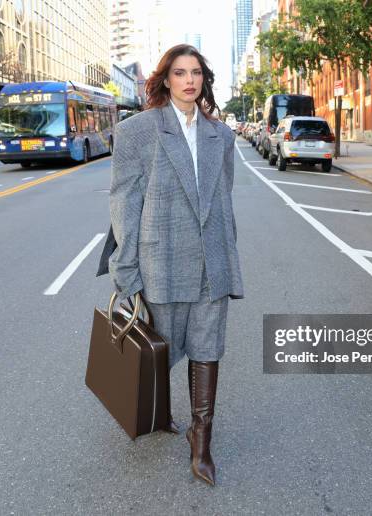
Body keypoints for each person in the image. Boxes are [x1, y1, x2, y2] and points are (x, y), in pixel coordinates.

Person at [96, 44, 243, 487]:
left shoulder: (223, 136)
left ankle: (202, 442)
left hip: (211, 261)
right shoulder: (137, 131)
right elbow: (124, 201)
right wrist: (127, 269)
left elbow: (223, 200)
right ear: (165, 80)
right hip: (160, 259)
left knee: (207, 346)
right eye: (180, 73)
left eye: (196, 72)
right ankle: (160, 414)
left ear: (204, 80)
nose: (189, 80)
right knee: (159, 348)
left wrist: (228, 252)